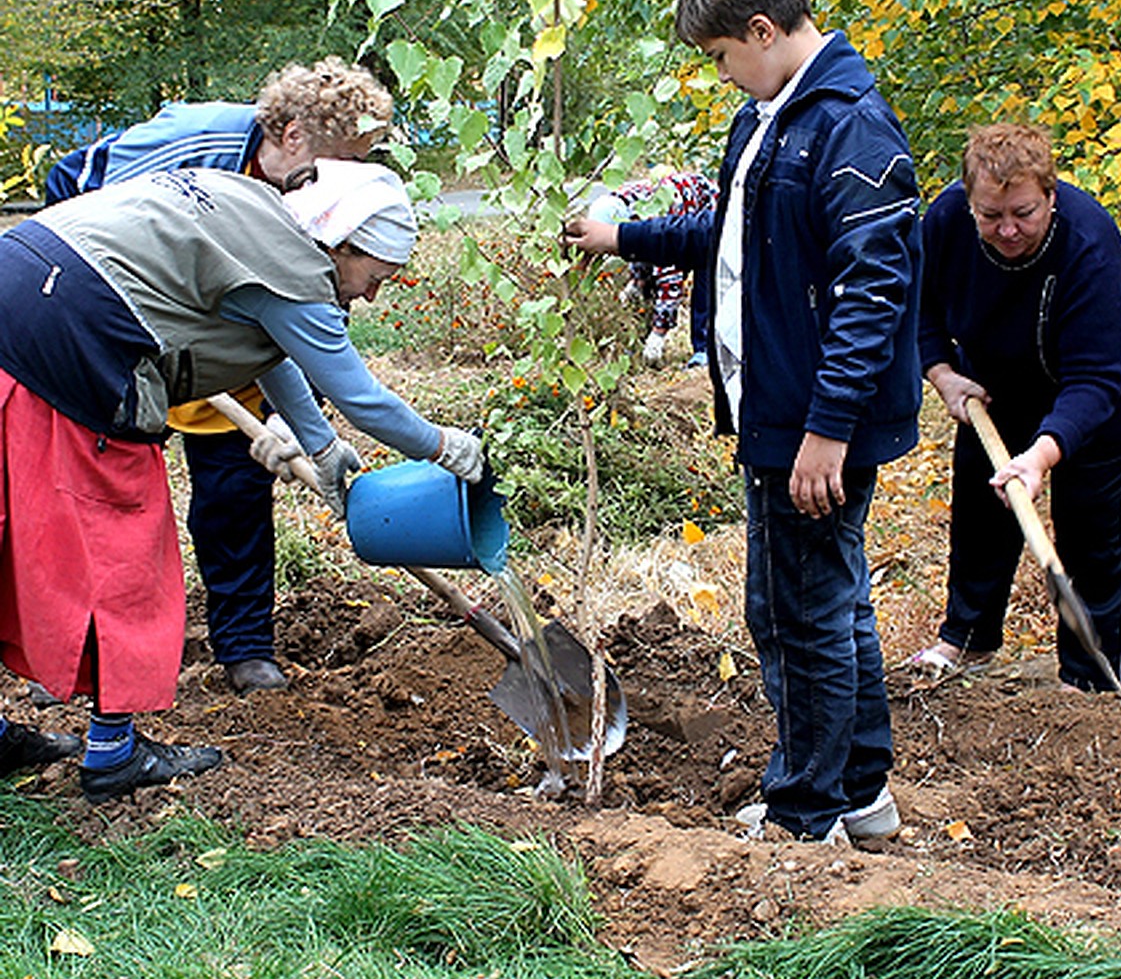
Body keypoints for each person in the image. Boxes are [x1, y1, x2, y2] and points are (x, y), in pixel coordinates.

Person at [565, 0, 922, 844]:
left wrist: (828, 429)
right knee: (828, 599)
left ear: (763, 30)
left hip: (812, 424)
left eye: (723, 55)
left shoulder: (849, 129)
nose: (722, 73)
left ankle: (808, 810)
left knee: (797, 612)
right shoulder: (766, 122)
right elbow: (733, 239)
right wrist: (629, 239)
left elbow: (874, 294)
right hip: (771, 409)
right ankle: (861, 791)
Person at [0, 159, 484, 802]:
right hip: (78, 337)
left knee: (10, 529)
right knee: (119, 546)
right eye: (377, 275)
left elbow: (264, 339)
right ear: (342, 241)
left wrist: (321, 446)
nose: (372, 295)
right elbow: (364, 398)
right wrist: (447, 448)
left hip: (18, 287)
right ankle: (113, 753)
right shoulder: (299, 269)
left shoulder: (258, 214)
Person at [43, 57, 393, 696]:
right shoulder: (194, 146)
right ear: (292, 137)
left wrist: (299, 419)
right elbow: (86, 215)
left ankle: (245, 647)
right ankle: (73, 650)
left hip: (224, 334)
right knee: (104, 497)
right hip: (120, 336)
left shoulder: (311, 205)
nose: (349, 181)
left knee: (235, 483)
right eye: (344, 161)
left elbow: (306, 324)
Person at [914, 123, 1121, 692]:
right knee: (983, 499)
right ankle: (969, 639)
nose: (1007, 229)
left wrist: (1041, 455)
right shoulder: (945, 223)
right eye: (991, 215)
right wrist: (943, 374)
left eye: (1025, 213)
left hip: (1115, 369)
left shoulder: (1088, 243)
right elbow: (920, 308)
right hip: (1000, 369)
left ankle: (1088, 681)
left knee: (1090, 520)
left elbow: (1096, 381)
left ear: (1051, 196)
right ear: (969, 201)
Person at [588, 173, 718, 368]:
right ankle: (639, 339)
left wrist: (659, 334)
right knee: (646, 277)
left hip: (706, 217)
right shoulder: (613, 205)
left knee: (705, 282)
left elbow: (670, 279)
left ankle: (704, 350)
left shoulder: (655, 215)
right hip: (676, 215)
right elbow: (633, 250)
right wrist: (637, 282)